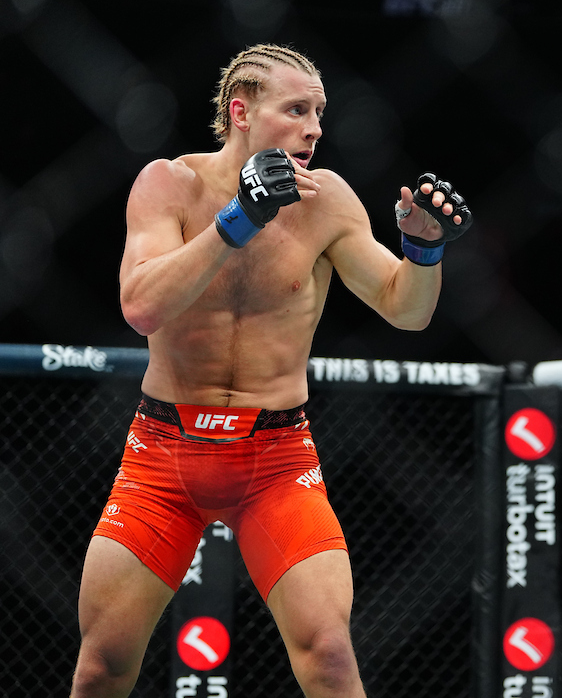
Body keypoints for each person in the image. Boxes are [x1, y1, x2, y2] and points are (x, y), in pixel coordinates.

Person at [70, 43, 472, 698]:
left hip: (276, 461)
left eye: (319, 113)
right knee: (102, 666)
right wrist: (238, 219)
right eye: (296, 110)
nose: (314, 129)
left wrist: (424, 253)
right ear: (242, 113)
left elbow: (406, 310)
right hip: (163, 457)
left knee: (330, 655)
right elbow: (141, 307)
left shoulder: (326, 200)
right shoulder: (170, 184)